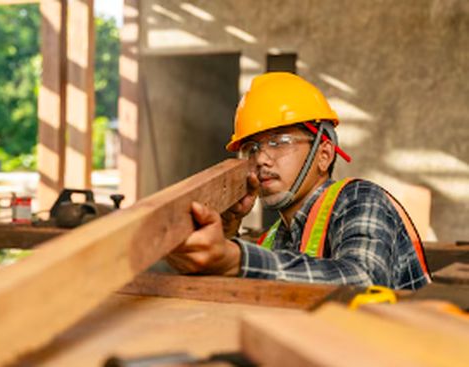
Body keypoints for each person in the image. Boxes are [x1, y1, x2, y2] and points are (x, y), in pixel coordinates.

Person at [166, 72, 430, 290]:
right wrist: (226, 233)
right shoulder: (275, 238)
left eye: (279, 142)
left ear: (324, 155)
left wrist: (236, 259)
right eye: (253, 148)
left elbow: (364, 279)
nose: (261, 160)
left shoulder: (360, 198)